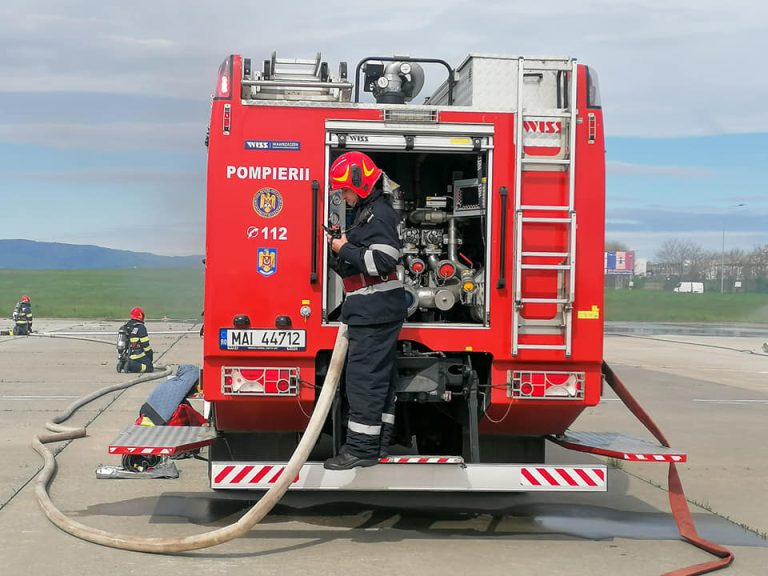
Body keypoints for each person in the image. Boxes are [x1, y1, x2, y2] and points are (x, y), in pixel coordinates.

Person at [323, 151, 407, 470]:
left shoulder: (378, 214)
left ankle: (360, 450)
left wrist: (344, 247)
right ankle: (378, 442)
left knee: (364, 382)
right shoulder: (367, 213)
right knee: (380, 381)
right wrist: (339, 252)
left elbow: (383, 261)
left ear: (359, 182)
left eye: (344, 189)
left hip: (375, 312)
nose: (343, 196)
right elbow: (359, 262)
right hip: (373, 310)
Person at [118, 307, 154, 373]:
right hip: (137, 355)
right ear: (141, 315)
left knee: (137, 361)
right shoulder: (140, 327)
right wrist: (150, 354)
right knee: (149, 367)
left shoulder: (126, 326)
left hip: (125, 355)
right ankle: (131, 365)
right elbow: (145, 345)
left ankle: (123, 364)